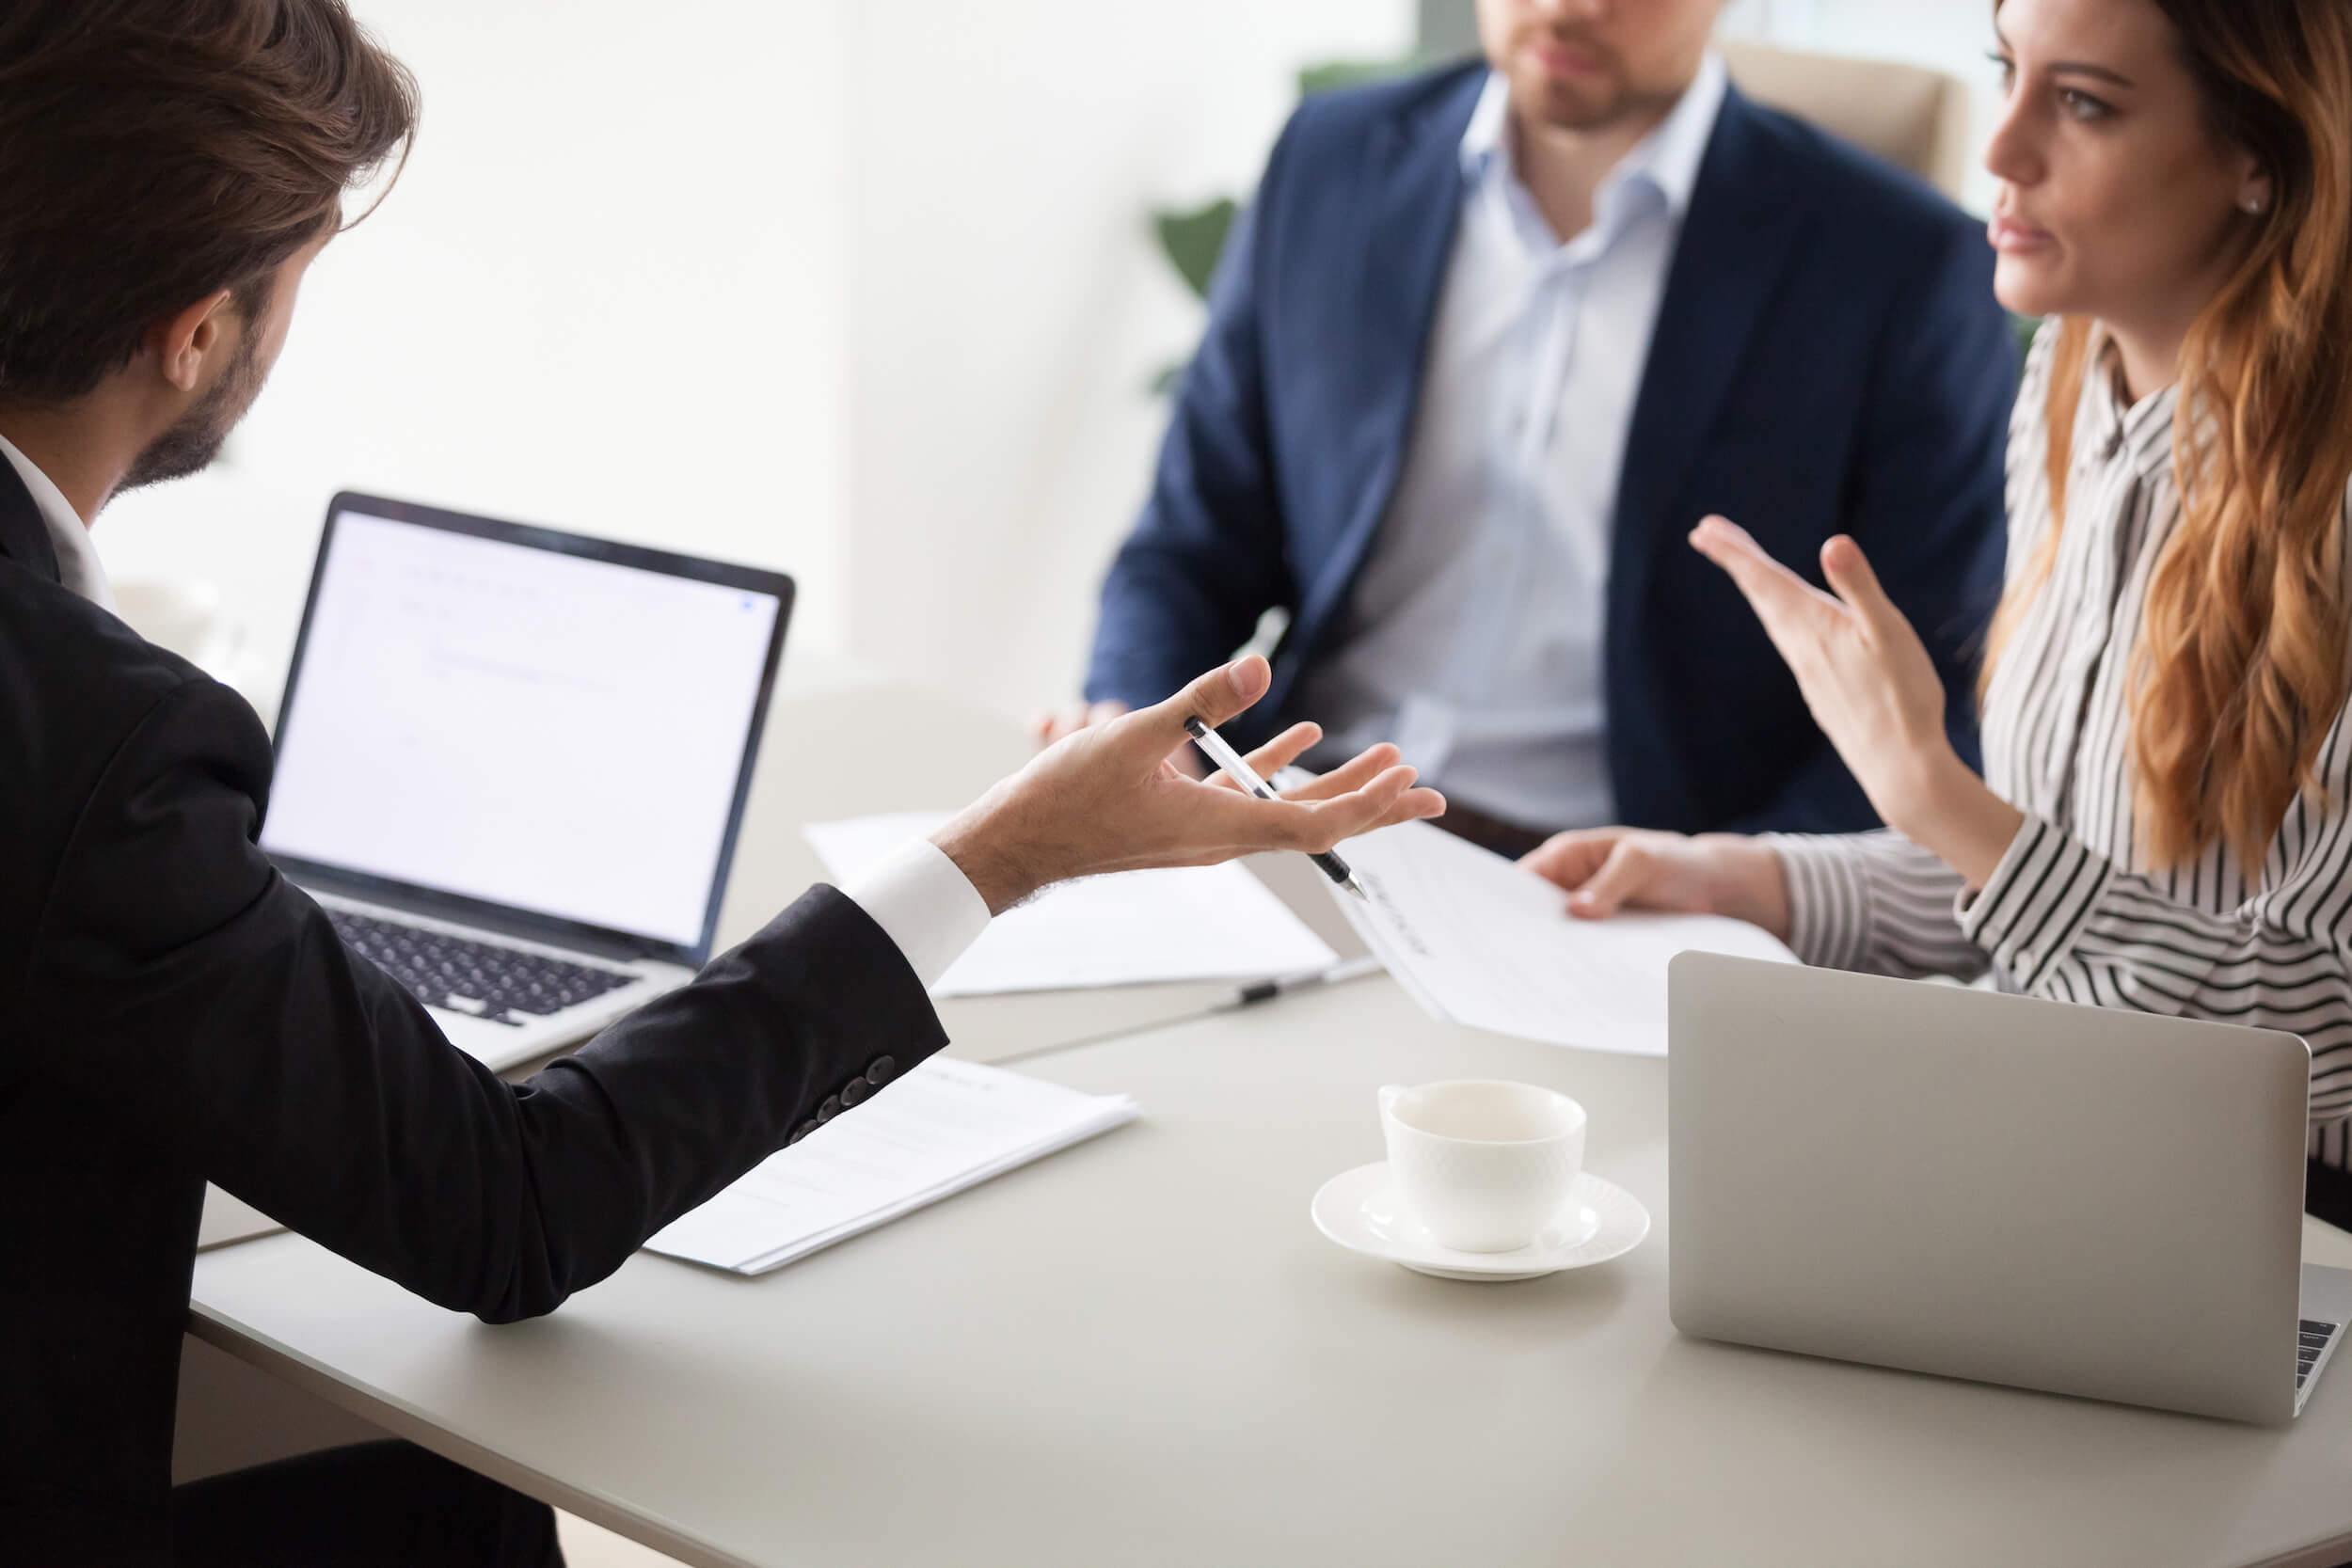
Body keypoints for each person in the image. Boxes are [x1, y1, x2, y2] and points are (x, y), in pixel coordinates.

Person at [0, 3, 1446, 1562]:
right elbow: (507, 1209)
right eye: (299, 277)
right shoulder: (103, 740)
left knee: (439, 1474)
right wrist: (1002, 853)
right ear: (198, 328)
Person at [1524, 0, 2352, 1226]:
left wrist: (1938, 797)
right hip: (2046, 1151)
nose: (2001, 152)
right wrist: (1733, 876)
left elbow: (2313, 1036)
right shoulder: (2068, 398)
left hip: (2264, 1222)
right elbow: (2033, 901)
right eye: (2005, 73)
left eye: (2083, 104)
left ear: (2259, 158)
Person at [1040, 0, 2021, 857]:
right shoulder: (1330, 162)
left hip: (1619, 872)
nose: (1567, 3)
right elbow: (1188, 546)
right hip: (1295, 812)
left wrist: (1742, 890)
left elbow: (1930, 695)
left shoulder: (1898, 270)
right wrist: (1139, 721)